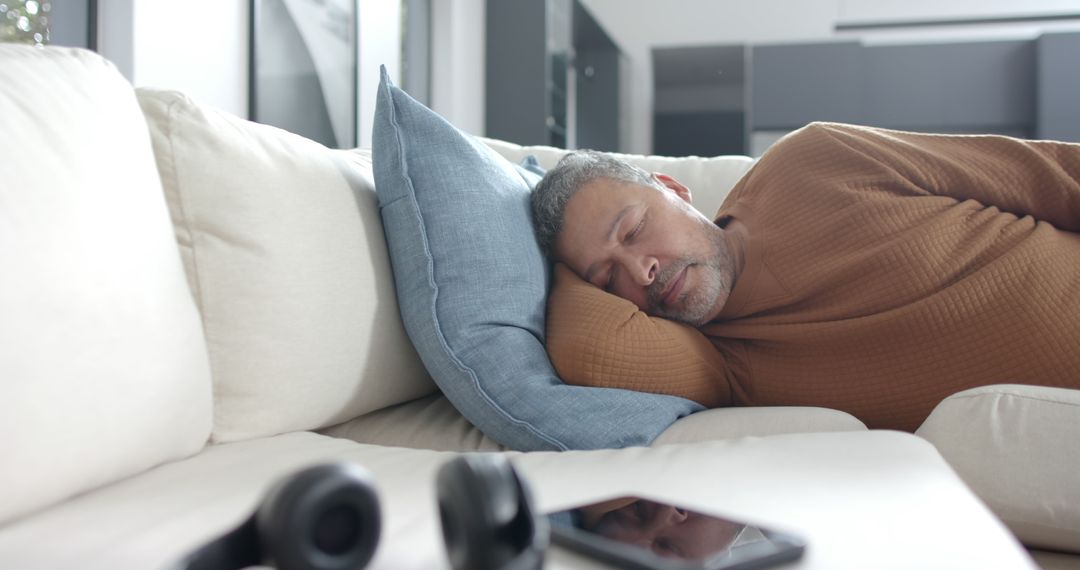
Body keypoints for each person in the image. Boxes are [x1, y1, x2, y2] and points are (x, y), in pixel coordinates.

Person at [531, 122, 1080, 431]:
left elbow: (1053, 176)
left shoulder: (815, 161)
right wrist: (559, 263)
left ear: (672, 189)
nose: (640, 271)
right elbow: (591, 350)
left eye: (633, 231)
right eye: (606, 279)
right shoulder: (713, 361)